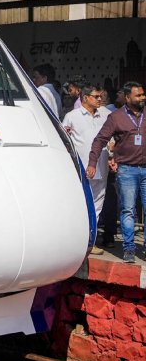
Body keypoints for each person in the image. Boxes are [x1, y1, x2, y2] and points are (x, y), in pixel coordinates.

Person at [88, 82, 146, 263]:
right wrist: (92, 163)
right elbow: (100, 140)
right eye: (138, 95)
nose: (142, 97)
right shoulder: (116, 117)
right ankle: (129, 249)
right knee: (128, 210)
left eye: (143, 94)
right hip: (127, 170)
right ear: (127, 98)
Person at [64, 84, 113, 255]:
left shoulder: (106, 115)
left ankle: (90, 241)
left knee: (98, 203)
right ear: (85, 98)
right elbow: (65, 140)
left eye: (100, 96)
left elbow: (112, 138)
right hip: (82, 166)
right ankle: (79, 240)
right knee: (82, 202)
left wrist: (112, 151)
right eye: (96, 96)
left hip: (101, 164)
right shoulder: (72, 116)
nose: (100, 99)